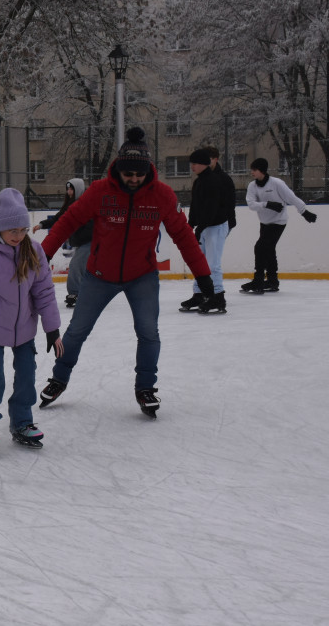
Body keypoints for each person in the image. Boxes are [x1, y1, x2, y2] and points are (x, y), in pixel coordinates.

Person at [35, 127, 214, 418]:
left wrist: (203, 277)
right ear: (117, 169)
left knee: (148, 331)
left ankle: (145, 387)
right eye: (127, 174)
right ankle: (58, 379)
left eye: (138, 175)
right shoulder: (100, 192)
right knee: (77, 330)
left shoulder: (162, 196)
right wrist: (44, 254)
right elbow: (68, 221)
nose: (132, 179)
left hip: (141, 275)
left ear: (147, 171)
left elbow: (183, 236)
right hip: (99, 275)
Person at [0, 188, 64, 455]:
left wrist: (52, 328)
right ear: (1, 228)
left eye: (22, 230)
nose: (18, 236)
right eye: (12, 231)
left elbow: (44, 292)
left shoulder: (34, 251)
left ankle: (22, 421)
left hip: (25, 330)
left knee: (27, 377)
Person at [241, 158, 317, 293]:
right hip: (264, 222)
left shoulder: (276, 183)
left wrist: (304, 212)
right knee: (269, 250)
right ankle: (272, 281)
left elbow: (291, 198)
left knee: (260, 248)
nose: (252, 172)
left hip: (278, 222)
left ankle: (258, 280)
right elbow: (251, 205)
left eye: (254, 169)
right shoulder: (252, 186)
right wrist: (267, 204)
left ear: (261, 171)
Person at [181, 148, 235, 314]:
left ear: (204, 164)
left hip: (216, 226)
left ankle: (218, 297)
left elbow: (212, 208)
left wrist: (201, 228)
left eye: (195, 163)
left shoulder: (214, 181)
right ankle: (200, 294)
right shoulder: (199, 181)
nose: (192, 166)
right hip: (205, 227)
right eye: (191, 163)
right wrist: (190, 225)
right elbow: (196, 206)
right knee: (200, 262)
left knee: (212, 264)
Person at [33, 178, 89, 307]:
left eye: (72, 189)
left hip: (91, 241)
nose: (69, 192)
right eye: (68, 189)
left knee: (75, 265)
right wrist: (42, 225)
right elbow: (59, 219)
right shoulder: (69, 206)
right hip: (81, 243)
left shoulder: (86, 204)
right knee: (84, 268)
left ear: (79, 190)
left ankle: (74, 293)